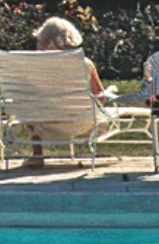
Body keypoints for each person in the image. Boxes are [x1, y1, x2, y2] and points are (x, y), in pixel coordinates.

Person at [23, 16, 106, 168]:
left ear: (44, 40)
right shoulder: (84, 63)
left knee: (29, 106)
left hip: (44, 123)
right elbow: (100, 96)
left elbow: (27, 94)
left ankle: (37, 154)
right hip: (82, 121)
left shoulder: (33, 67)